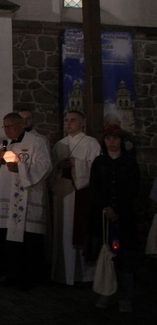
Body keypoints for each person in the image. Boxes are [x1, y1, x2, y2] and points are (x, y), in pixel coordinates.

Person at [0, 112, 52, 290]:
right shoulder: (5, 145)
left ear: (20, 125)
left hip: (27, 197)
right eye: (4, 127)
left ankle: (29, 277)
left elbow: (44, 165)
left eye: (9, 126)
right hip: (6, 198)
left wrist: (20, 168)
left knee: (27, 239)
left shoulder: (36, 141)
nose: (6, 130)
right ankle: (10, 275)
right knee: (7, 237)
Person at [89, 125, 140, 313]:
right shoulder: (99, 162)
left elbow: (133, 189)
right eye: (109, 138)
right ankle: (107, 292)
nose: (112, 142)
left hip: (125, 217)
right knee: (106, 257)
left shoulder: (129, 163)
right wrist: (106, 207)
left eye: (115, 138)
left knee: (125, 257)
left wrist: (118, 209)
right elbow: (95, 188)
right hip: (104, 217)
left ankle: (125, 296)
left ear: (121, 141)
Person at [50, 110, 100, 286]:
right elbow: (52, 170)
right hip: (62, 193)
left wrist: (76, 164)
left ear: (83, 122)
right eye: (66, 120)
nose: (68, 123)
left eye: (73, 120)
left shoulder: (91, 143)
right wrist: (58, 165)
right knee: (62, 232)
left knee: (77, 231)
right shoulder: (59, 144)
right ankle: (63, 273)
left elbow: (96, 169)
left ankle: (83, 275)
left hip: (79, 193)